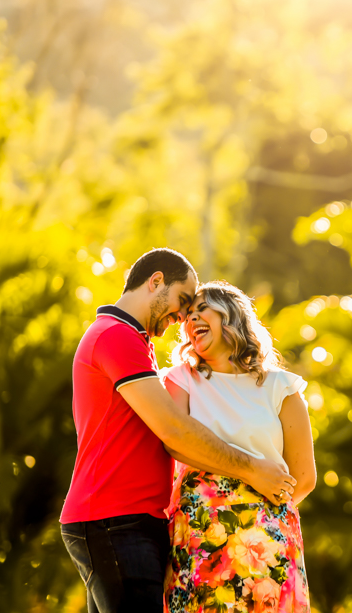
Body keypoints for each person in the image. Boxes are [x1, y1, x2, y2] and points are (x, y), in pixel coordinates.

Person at [60, 249, 297, 613]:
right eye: (183, 301)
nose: (184, 316)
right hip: (113, 518)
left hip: (128, 519)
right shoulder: (115, 337)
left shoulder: (136, 342)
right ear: (155, 282)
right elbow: (173, 430)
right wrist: (252, 470)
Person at [162, 280, 316, 612]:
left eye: (202, 308)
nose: (192, 319)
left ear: (231, 315)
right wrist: (250, 475)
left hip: (268, 541)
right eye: (187, 314)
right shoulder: (181, 380)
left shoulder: (281, 387)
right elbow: (175, 444)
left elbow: (303, 477)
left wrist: (259, 516)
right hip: (201, 537)